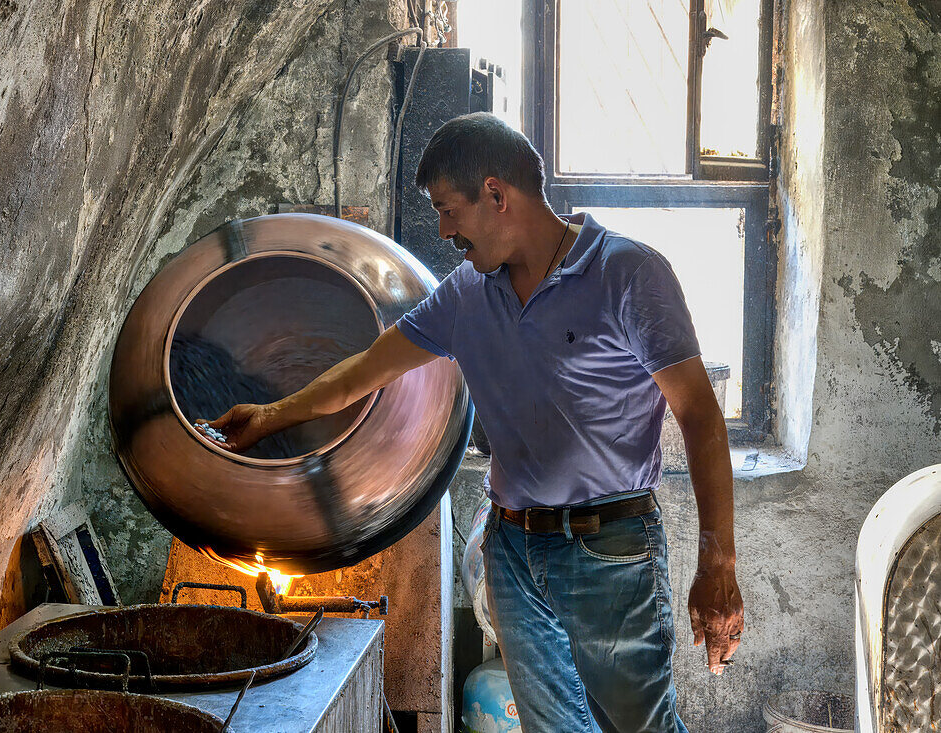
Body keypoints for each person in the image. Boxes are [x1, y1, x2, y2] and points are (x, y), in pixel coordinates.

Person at [203, 112, 743, 732]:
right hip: (512, 550)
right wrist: (265, 418)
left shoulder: (628, 274)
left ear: (496, 194)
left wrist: (718, 563)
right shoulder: (468, 294)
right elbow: (359, 376)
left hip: (609, 548)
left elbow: (700, 416)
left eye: (448, 209)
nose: (443, 229)